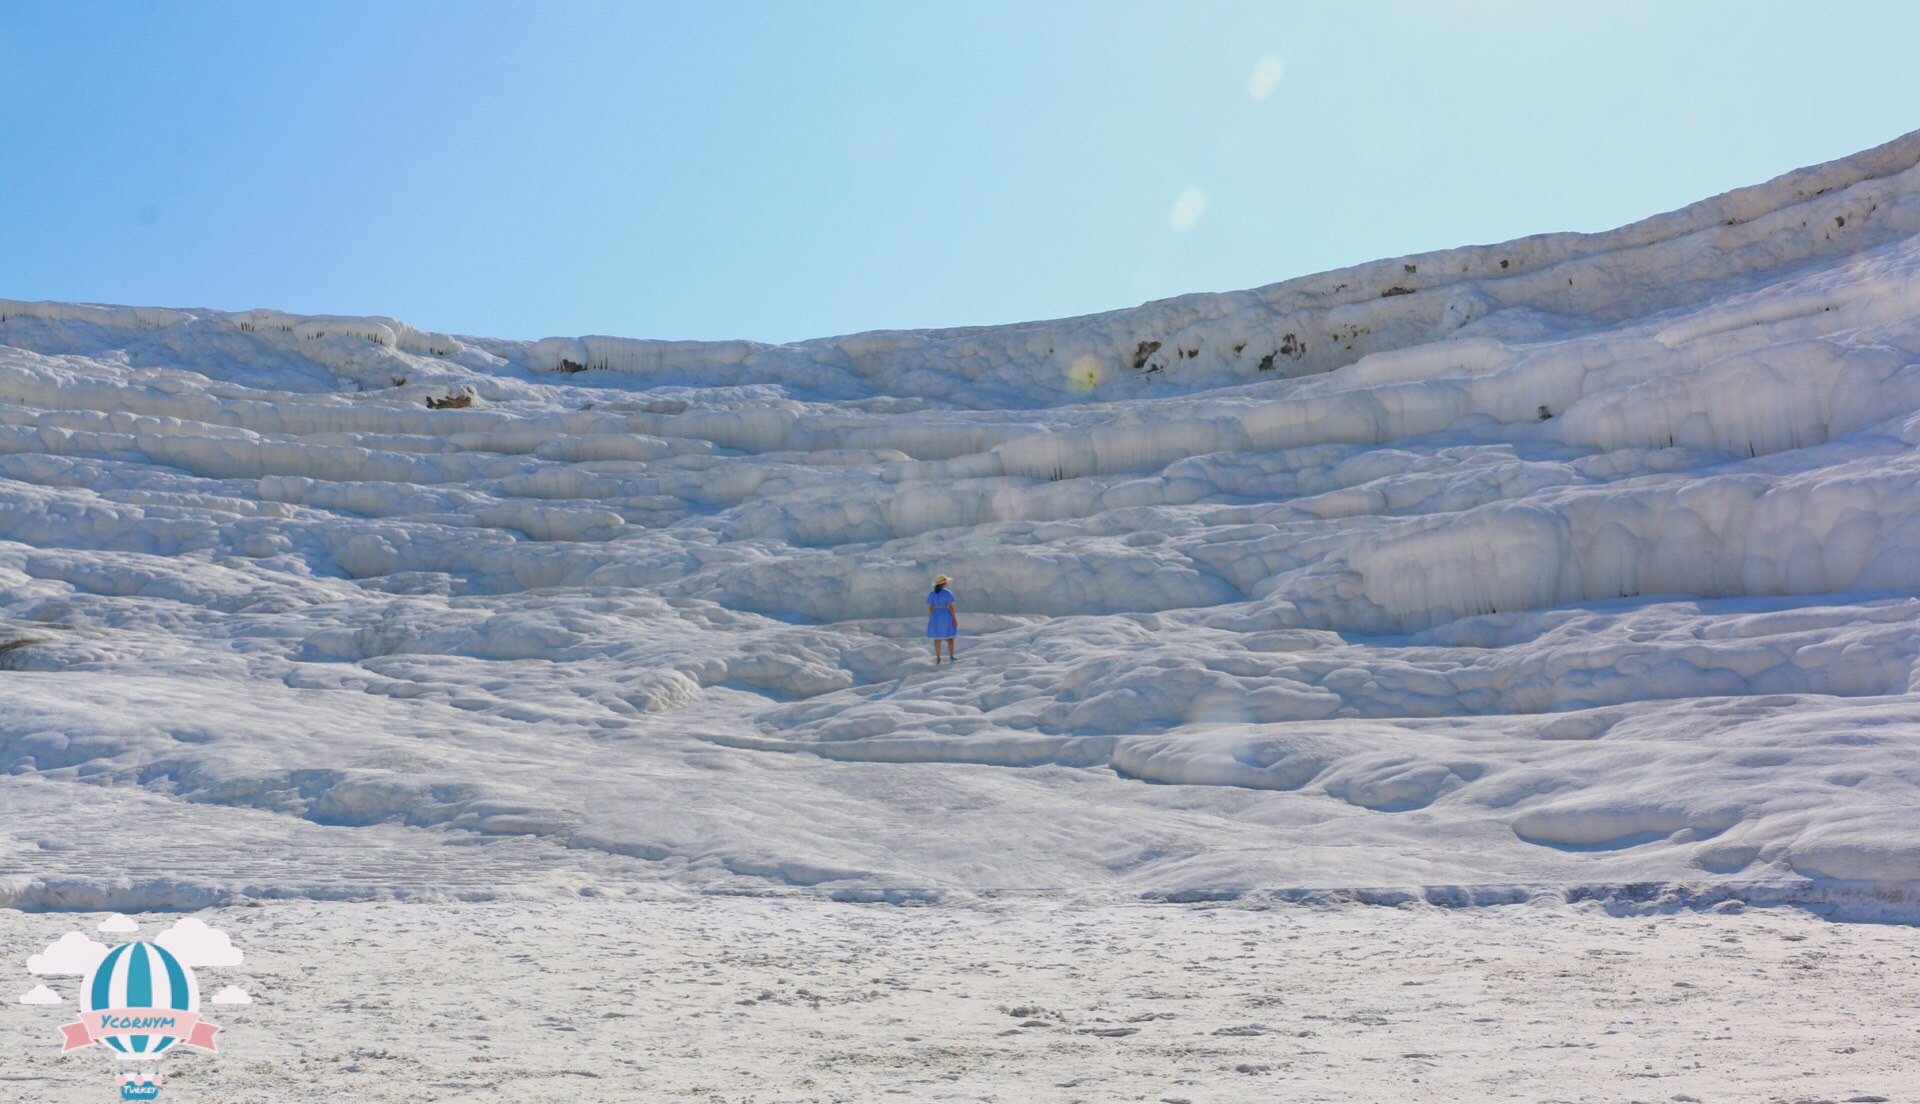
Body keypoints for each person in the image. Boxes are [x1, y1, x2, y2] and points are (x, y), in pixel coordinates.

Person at [926, 575, 957, 662]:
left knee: (937, 637)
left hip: (936, 615)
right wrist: (954, 619)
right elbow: (951, 607)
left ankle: (938, 657)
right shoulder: (947, 593)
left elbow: (931, 607)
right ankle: (951, 656)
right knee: (950, 636)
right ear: (944, 583)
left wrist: (931, 618)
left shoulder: (932, 594)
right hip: (946, 614)